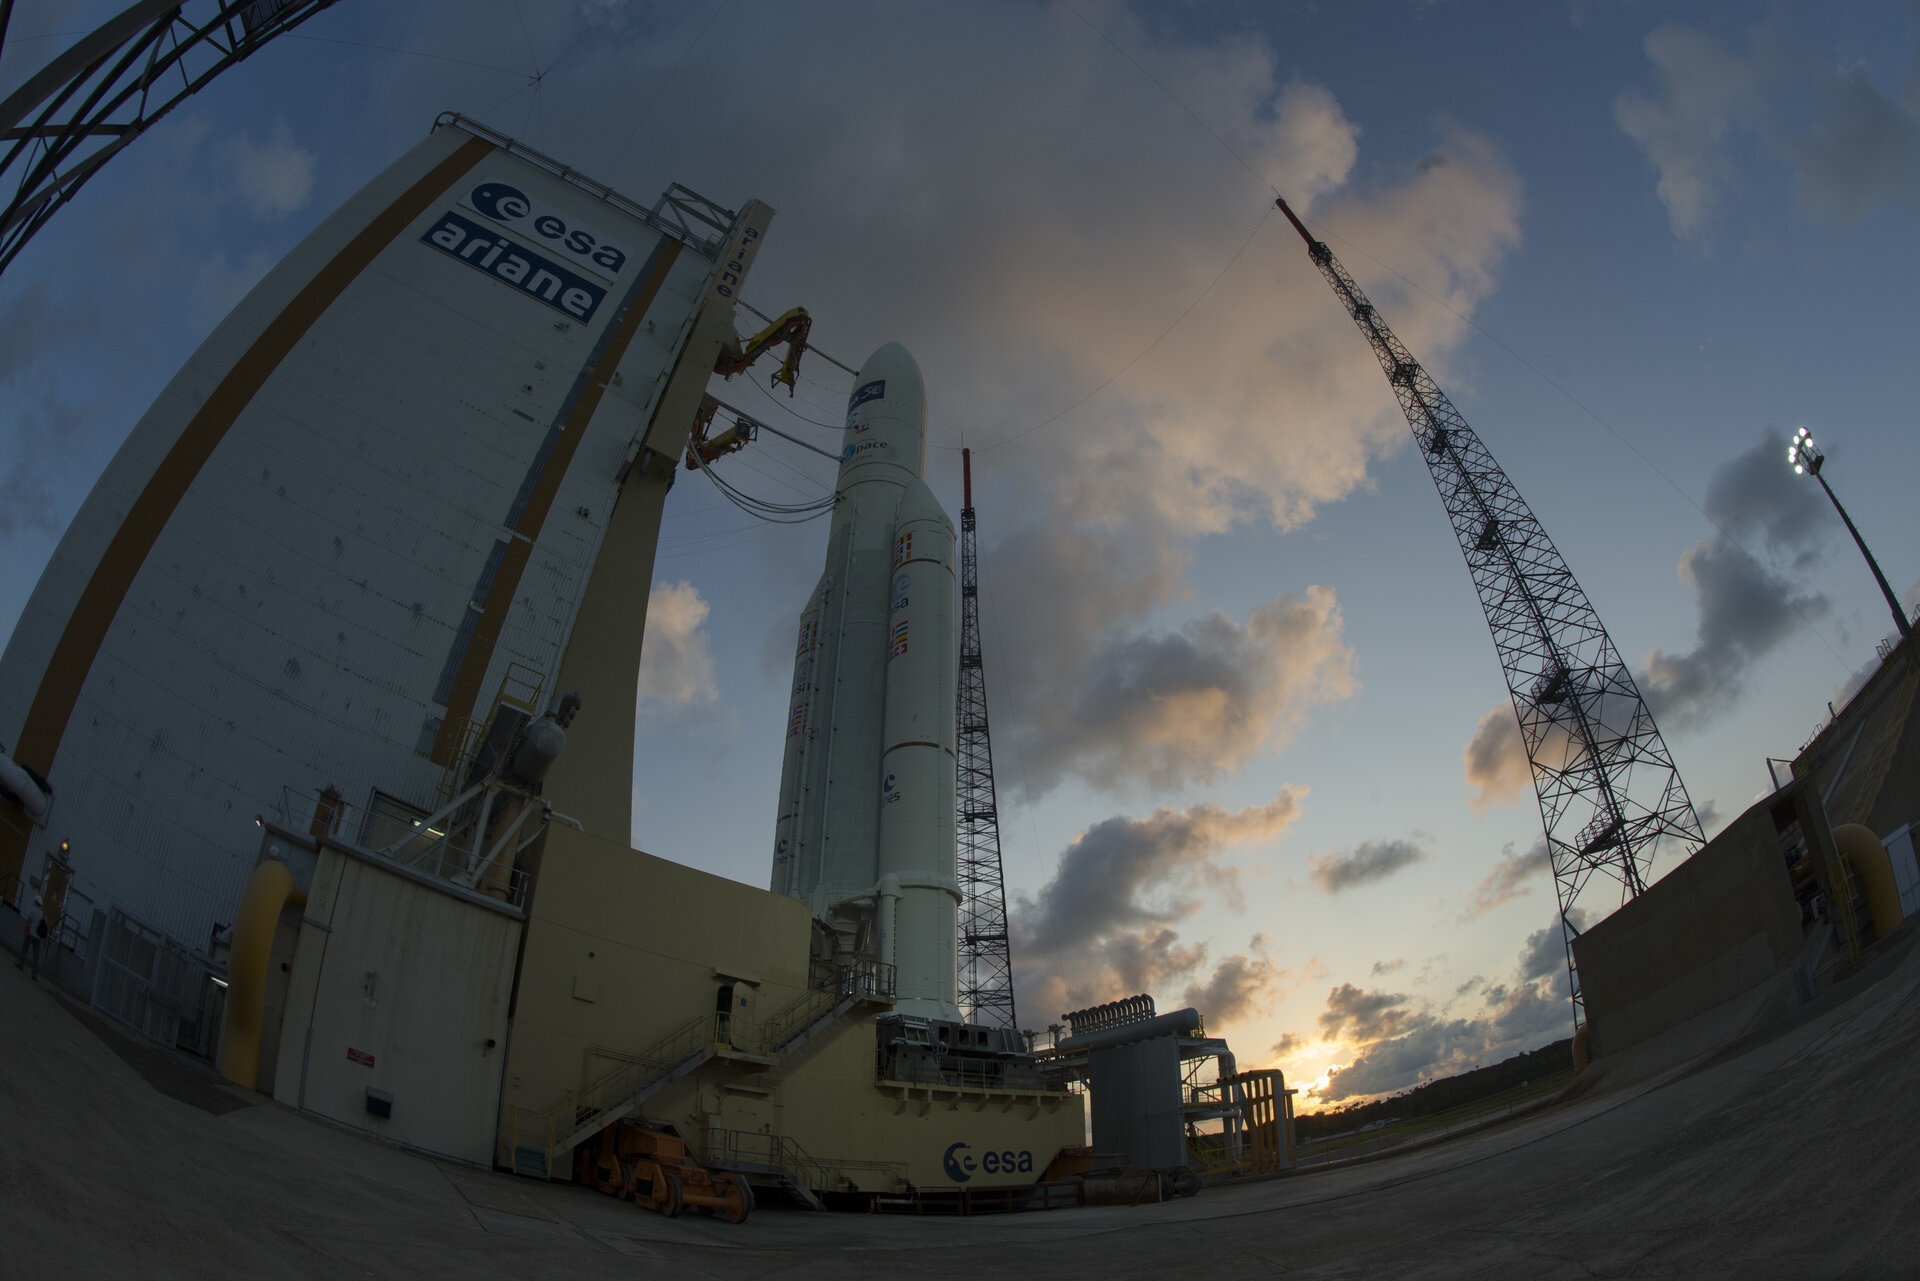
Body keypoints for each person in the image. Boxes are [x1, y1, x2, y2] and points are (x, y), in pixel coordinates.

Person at [17, 896, 46, 980]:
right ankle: (34, 974)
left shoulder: (32, 909)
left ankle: (21, 965)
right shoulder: (43, 914)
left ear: (36, 902)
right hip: (38, 937)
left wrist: (26, 930)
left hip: (31, 934)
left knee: (24, 949)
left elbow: (29, 921)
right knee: (36, 956)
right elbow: (44, 926)